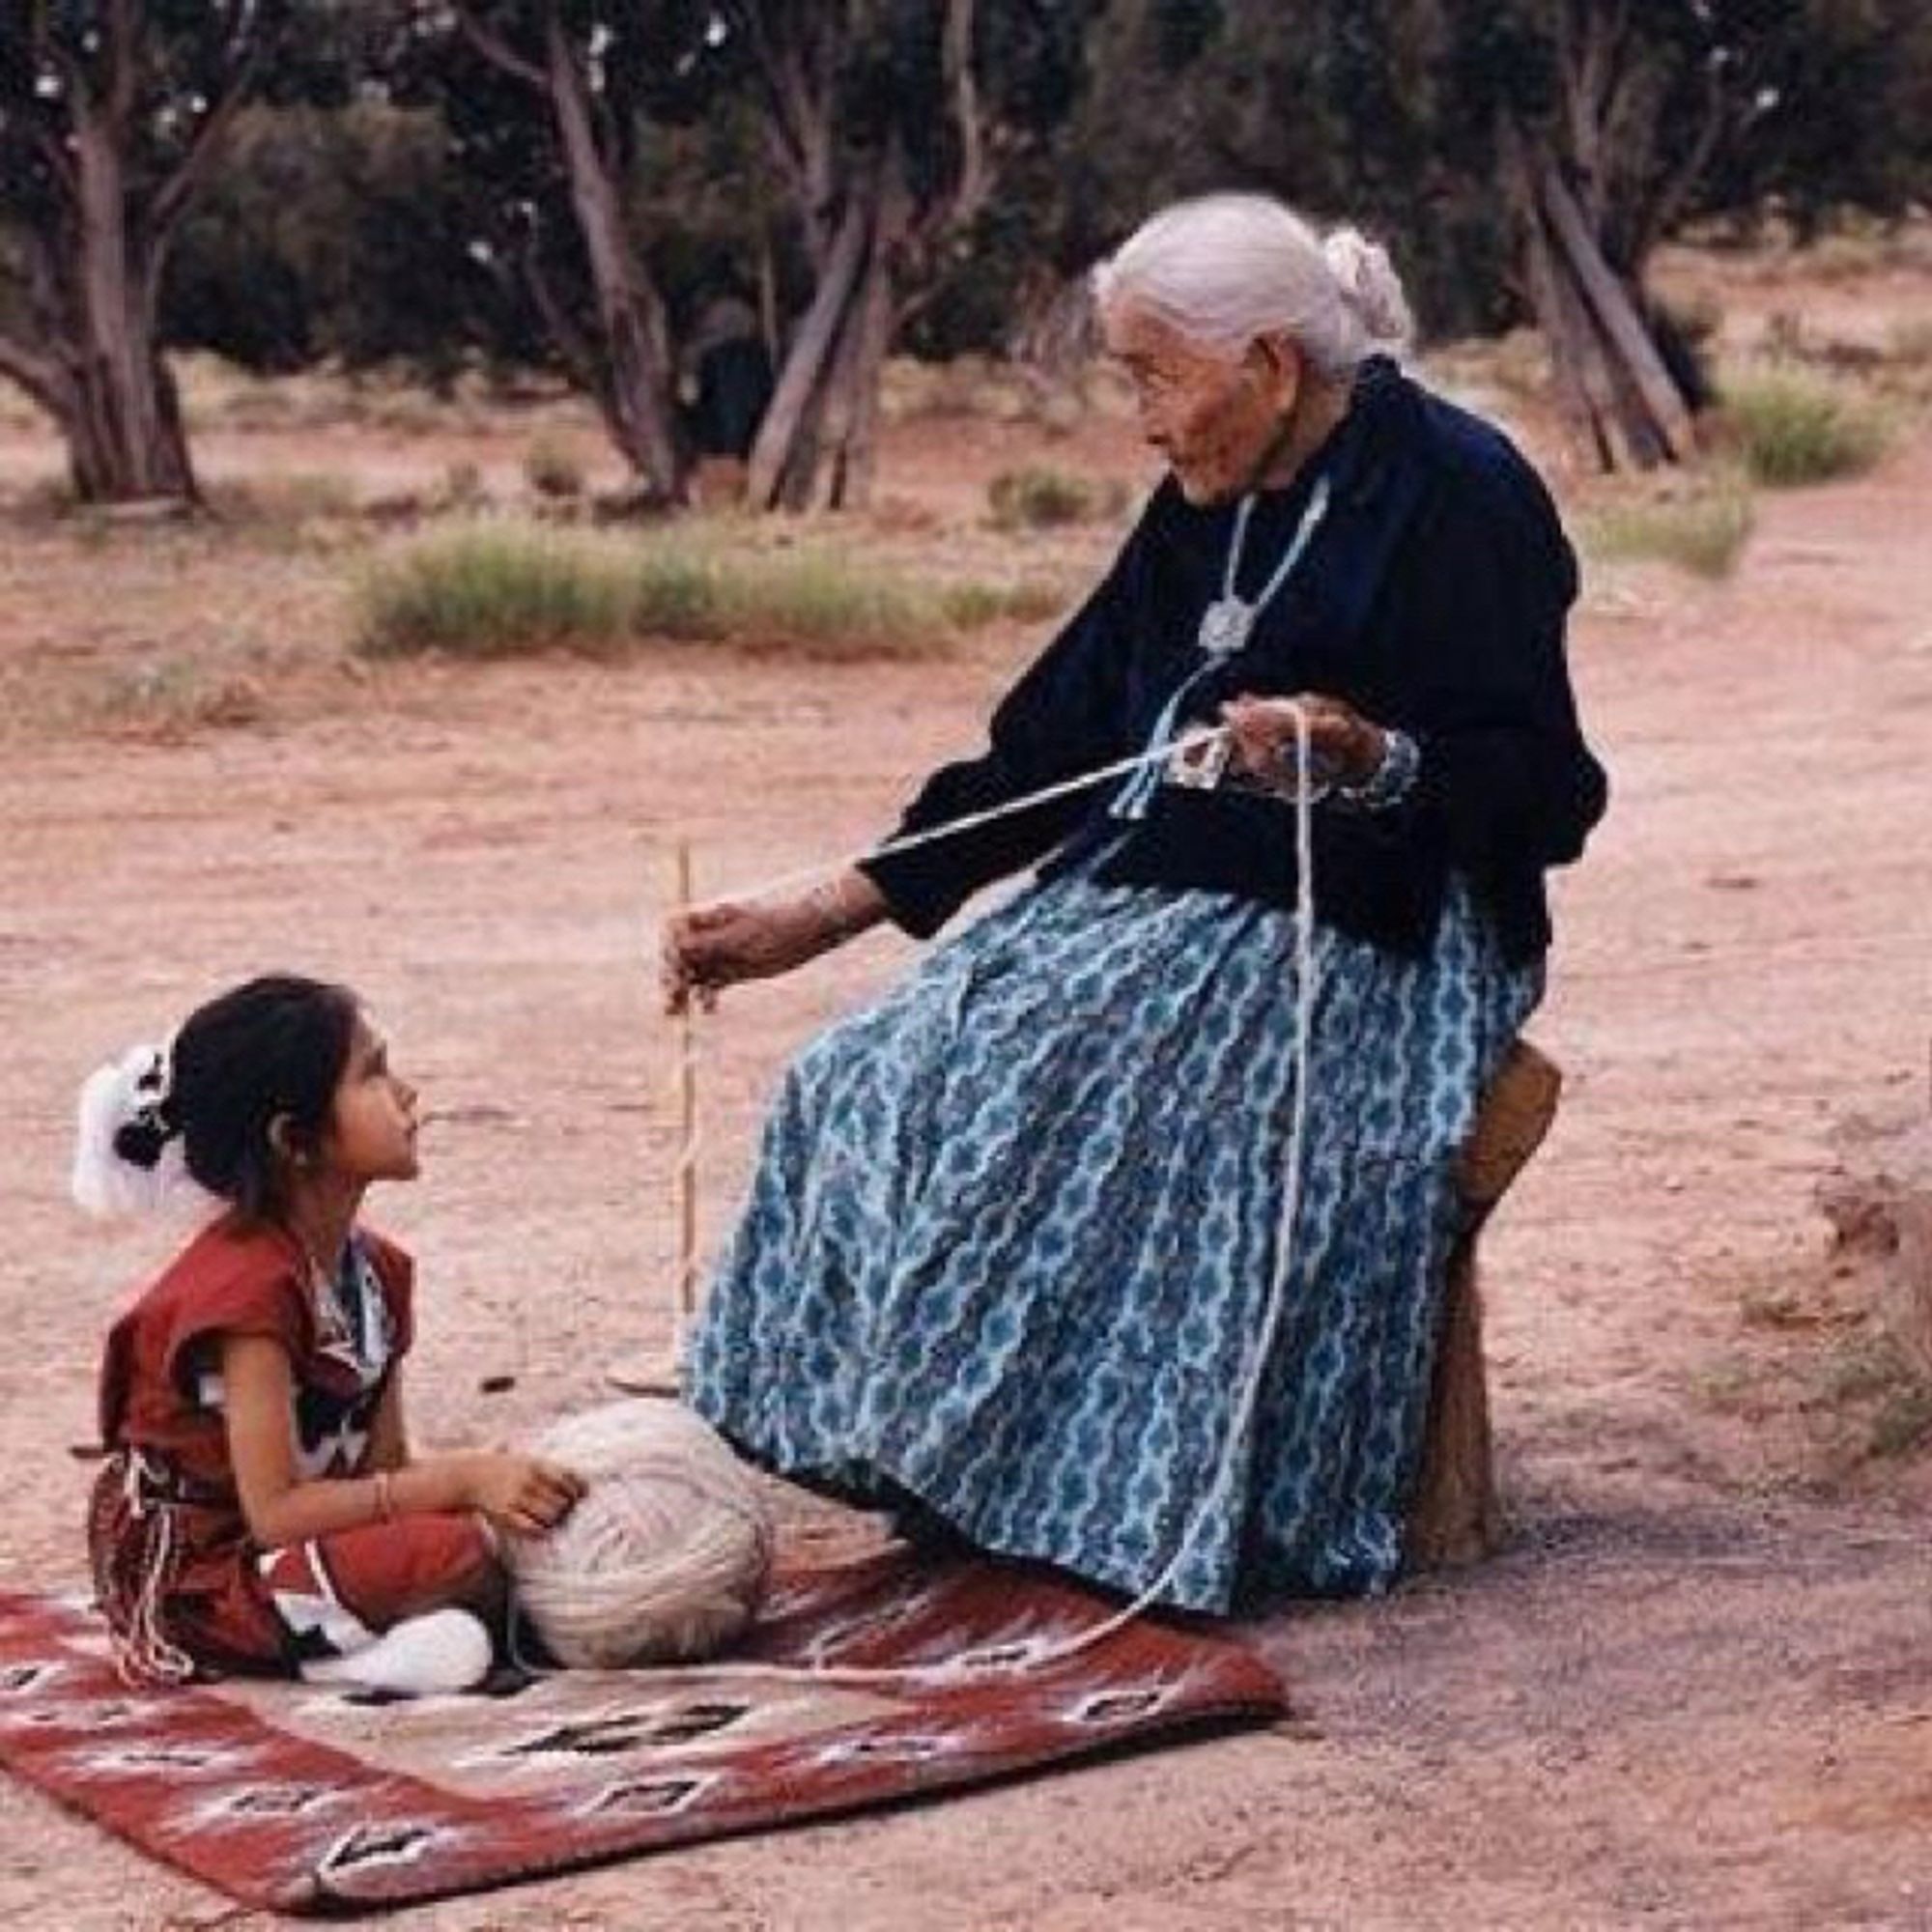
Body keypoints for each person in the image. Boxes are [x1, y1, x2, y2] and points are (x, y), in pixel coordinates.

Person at [662, 193, 1607, 1614]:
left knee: (1107, 1105)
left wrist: (1366, 752)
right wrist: (834, 907)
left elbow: (1549, 794)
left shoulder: (1461, 490)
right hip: (1140, 901)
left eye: (1156, 376)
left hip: (1377, 927)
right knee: (866, 1077)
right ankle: (937, 1460)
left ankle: (1097, 1493)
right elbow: (1054, 744)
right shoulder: (1198, 508)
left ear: (1272, 367)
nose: (1143, 420)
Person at [76, 975, 585, 1691]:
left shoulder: (377, 1272)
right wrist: (463, 1480)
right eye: (374, 1073)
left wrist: (489, 1480)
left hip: (306, 1545)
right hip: (214, 1575)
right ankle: (344, 1658)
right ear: (295, 1139)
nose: (407, 1093)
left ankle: (389, 1634)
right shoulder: (246, 1298)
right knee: (459, 1554)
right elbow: (277, 1513)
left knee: (499, 1532)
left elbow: (383, 1465)